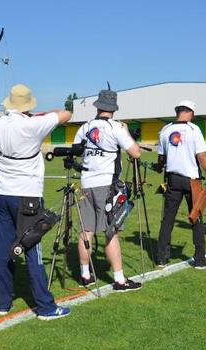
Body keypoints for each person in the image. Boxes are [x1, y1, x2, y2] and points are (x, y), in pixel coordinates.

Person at [0, 84, 72, 320]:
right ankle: (45, 307)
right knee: (32, 250)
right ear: (28, 106)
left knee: (2, 248)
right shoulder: (34, 124)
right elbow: (66, 113)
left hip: (3, 194)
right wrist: (39, 116)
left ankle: (1, 303)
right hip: (27, 196)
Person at [72, 89, 143, 291]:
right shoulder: (116, 127)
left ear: (98, 106)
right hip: (107, 184)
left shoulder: (84, 127)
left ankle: (85, 275)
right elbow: (136, 153)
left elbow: (75, 152)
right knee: (111, 231)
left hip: (86, 183)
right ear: (113, 108)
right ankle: (119, 279)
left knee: (86, 230)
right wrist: (127, 131)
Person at [154, 100, 206, 269]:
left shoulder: (166, 130)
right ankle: (199, 259)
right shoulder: (193, 129)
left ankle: (161, 258)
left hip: (172, 179)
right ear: (191, 112)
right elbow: (202, 157)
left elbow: (161, 158)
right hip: (192, 180)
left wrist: (159, 167)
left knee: (167, 219)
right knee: (196, 217)